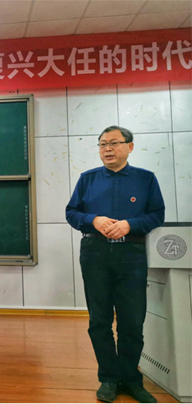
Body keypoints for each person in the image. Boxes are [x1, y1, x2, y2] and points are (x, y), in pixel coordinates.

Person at [66, 125, 165, 403]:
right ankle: (108, 378)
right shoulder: (87, 179)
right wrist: (93, 220)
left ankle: (131, 379)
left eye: (113, 143)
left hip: (131, 254)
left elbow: (157, 215)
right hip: (94, 254)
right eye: (102, 144)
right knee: (99, 320)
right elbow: (72, 213)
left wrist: (130, 225)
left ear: (129, 147)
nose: (107, 149)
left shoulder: (146, 179)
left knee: (132, 321)